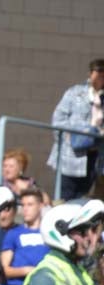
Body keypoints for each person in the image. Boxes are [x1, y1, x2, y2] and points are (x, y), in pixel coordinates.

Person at [22, 201, 104, 285]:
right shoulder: (46, 276)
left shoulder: (77, 270)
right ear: (61, 234)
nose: (88, 237)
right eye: (81, 232)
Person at [49, 59, 104, 200]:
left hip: (94, 155)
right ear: (90, 73)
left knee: (82, 198)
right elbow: (58, 120)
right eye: (98, 71)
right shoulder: (75, 93)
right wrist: (71, 137)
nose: (101, 75)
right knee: (64, 196)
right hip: (71, 155)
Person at [0, 187, 49, 279]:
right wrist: (27, 270)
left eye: (30, 205)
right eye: (23, 205)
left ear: (40, 206)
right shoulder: (13, 233)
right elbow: (4, 270)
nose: (25, 209)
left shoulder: (48, 234)